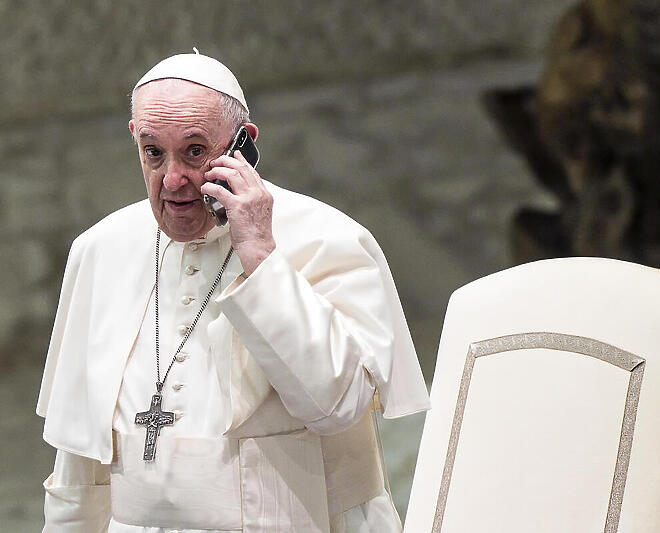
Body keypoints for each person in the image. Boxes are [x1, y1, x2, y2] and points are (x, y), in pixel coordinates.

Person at [36, 51, 430, 533]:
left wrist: (261, 256)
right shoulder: (100, 250)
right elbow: (79, 468)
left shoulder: (328, 237)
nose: (174, 179)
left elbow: (337, 405)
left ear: (245, 143)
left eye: (195, 151)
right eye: (154, 152)